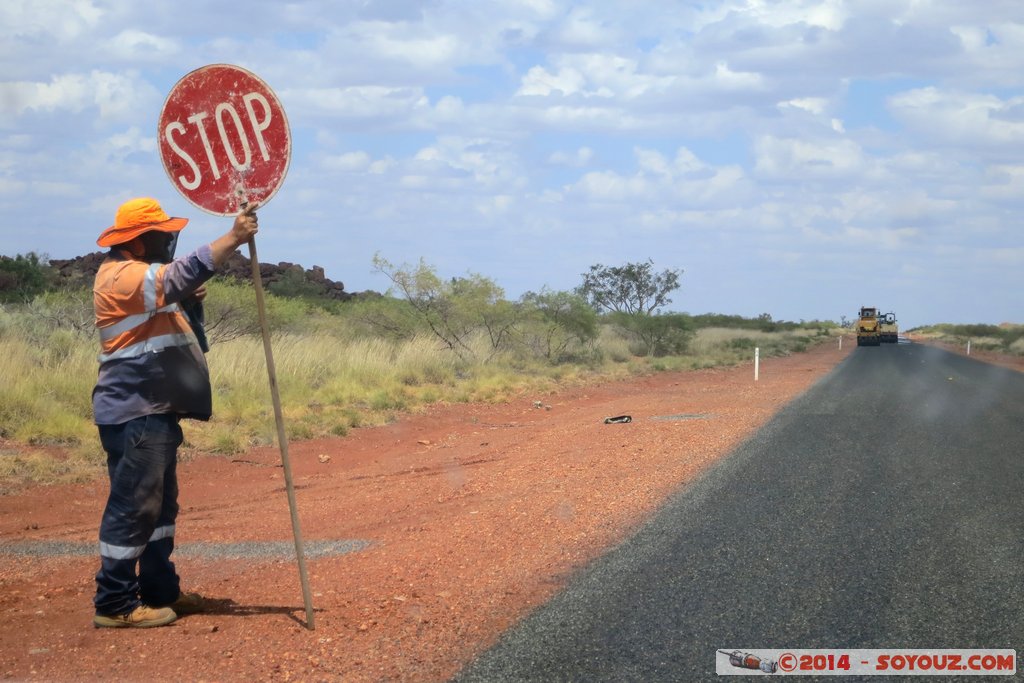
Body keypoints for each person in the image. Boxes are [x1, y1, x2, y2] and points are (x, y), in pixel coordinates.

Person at [90, 197, 258, 628]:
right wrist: (235, 238)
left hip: (153, 411)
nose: (168, 238)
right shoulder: (121, 276)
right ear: (139, 240)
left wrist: (187, 299)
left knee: (158, 510)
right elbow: (177, 274)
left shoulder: (141, 276)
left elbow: (174, 305)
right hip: (136, 413)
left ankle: (161, 591)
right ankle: (114, 605)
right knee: (133, 508)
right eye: (161, 233)